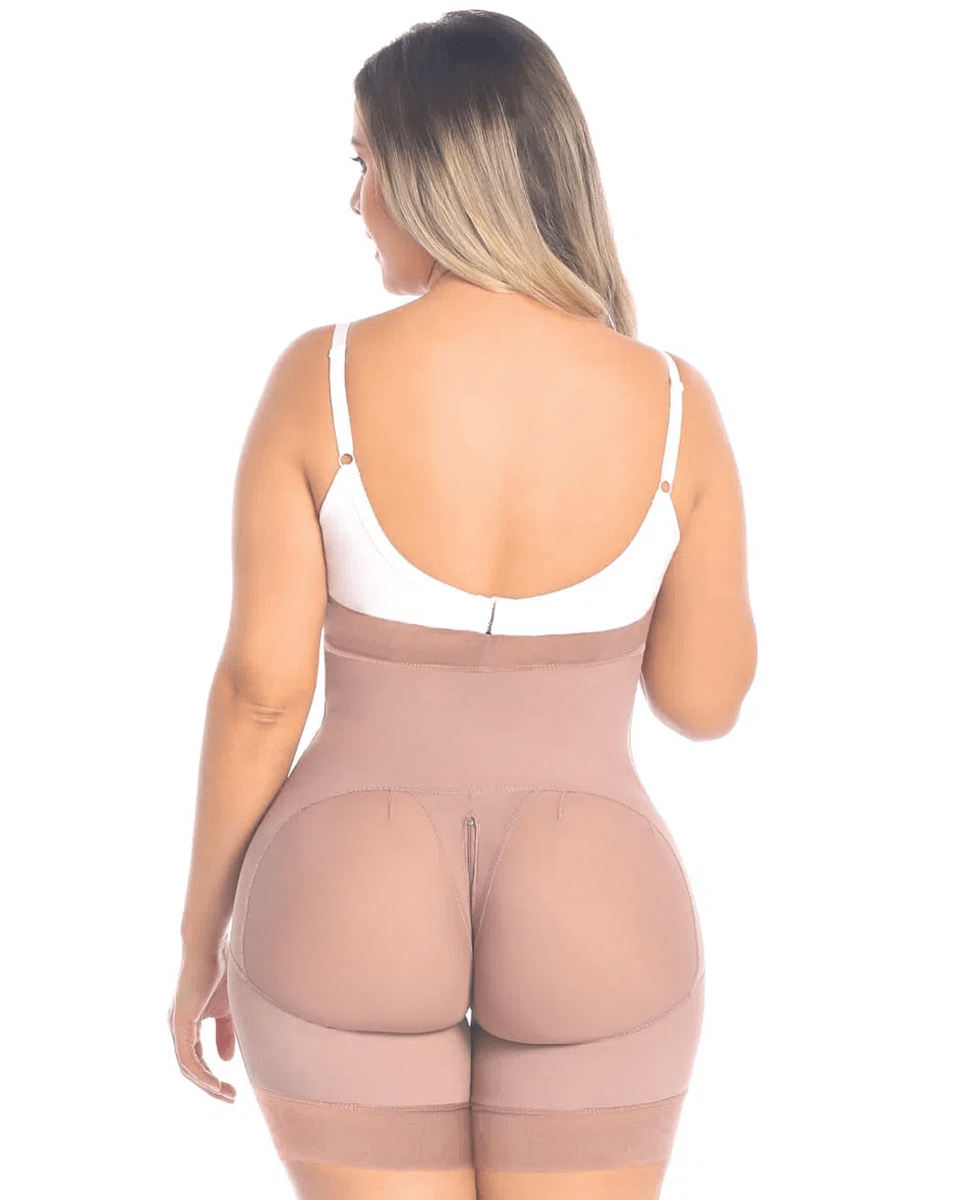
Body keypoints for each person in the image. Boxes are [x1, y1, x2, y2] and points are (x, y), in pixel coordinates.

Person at [168, 11, 757, 1199]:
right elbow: (703, 702)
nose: (356, 202)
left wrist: (198, 945)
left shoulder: (322, 379)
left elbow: (261, 695)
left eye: (364, 162)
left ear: (437, 173)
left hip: (346, 883)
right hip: (595, 889)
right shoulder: (672, 404)